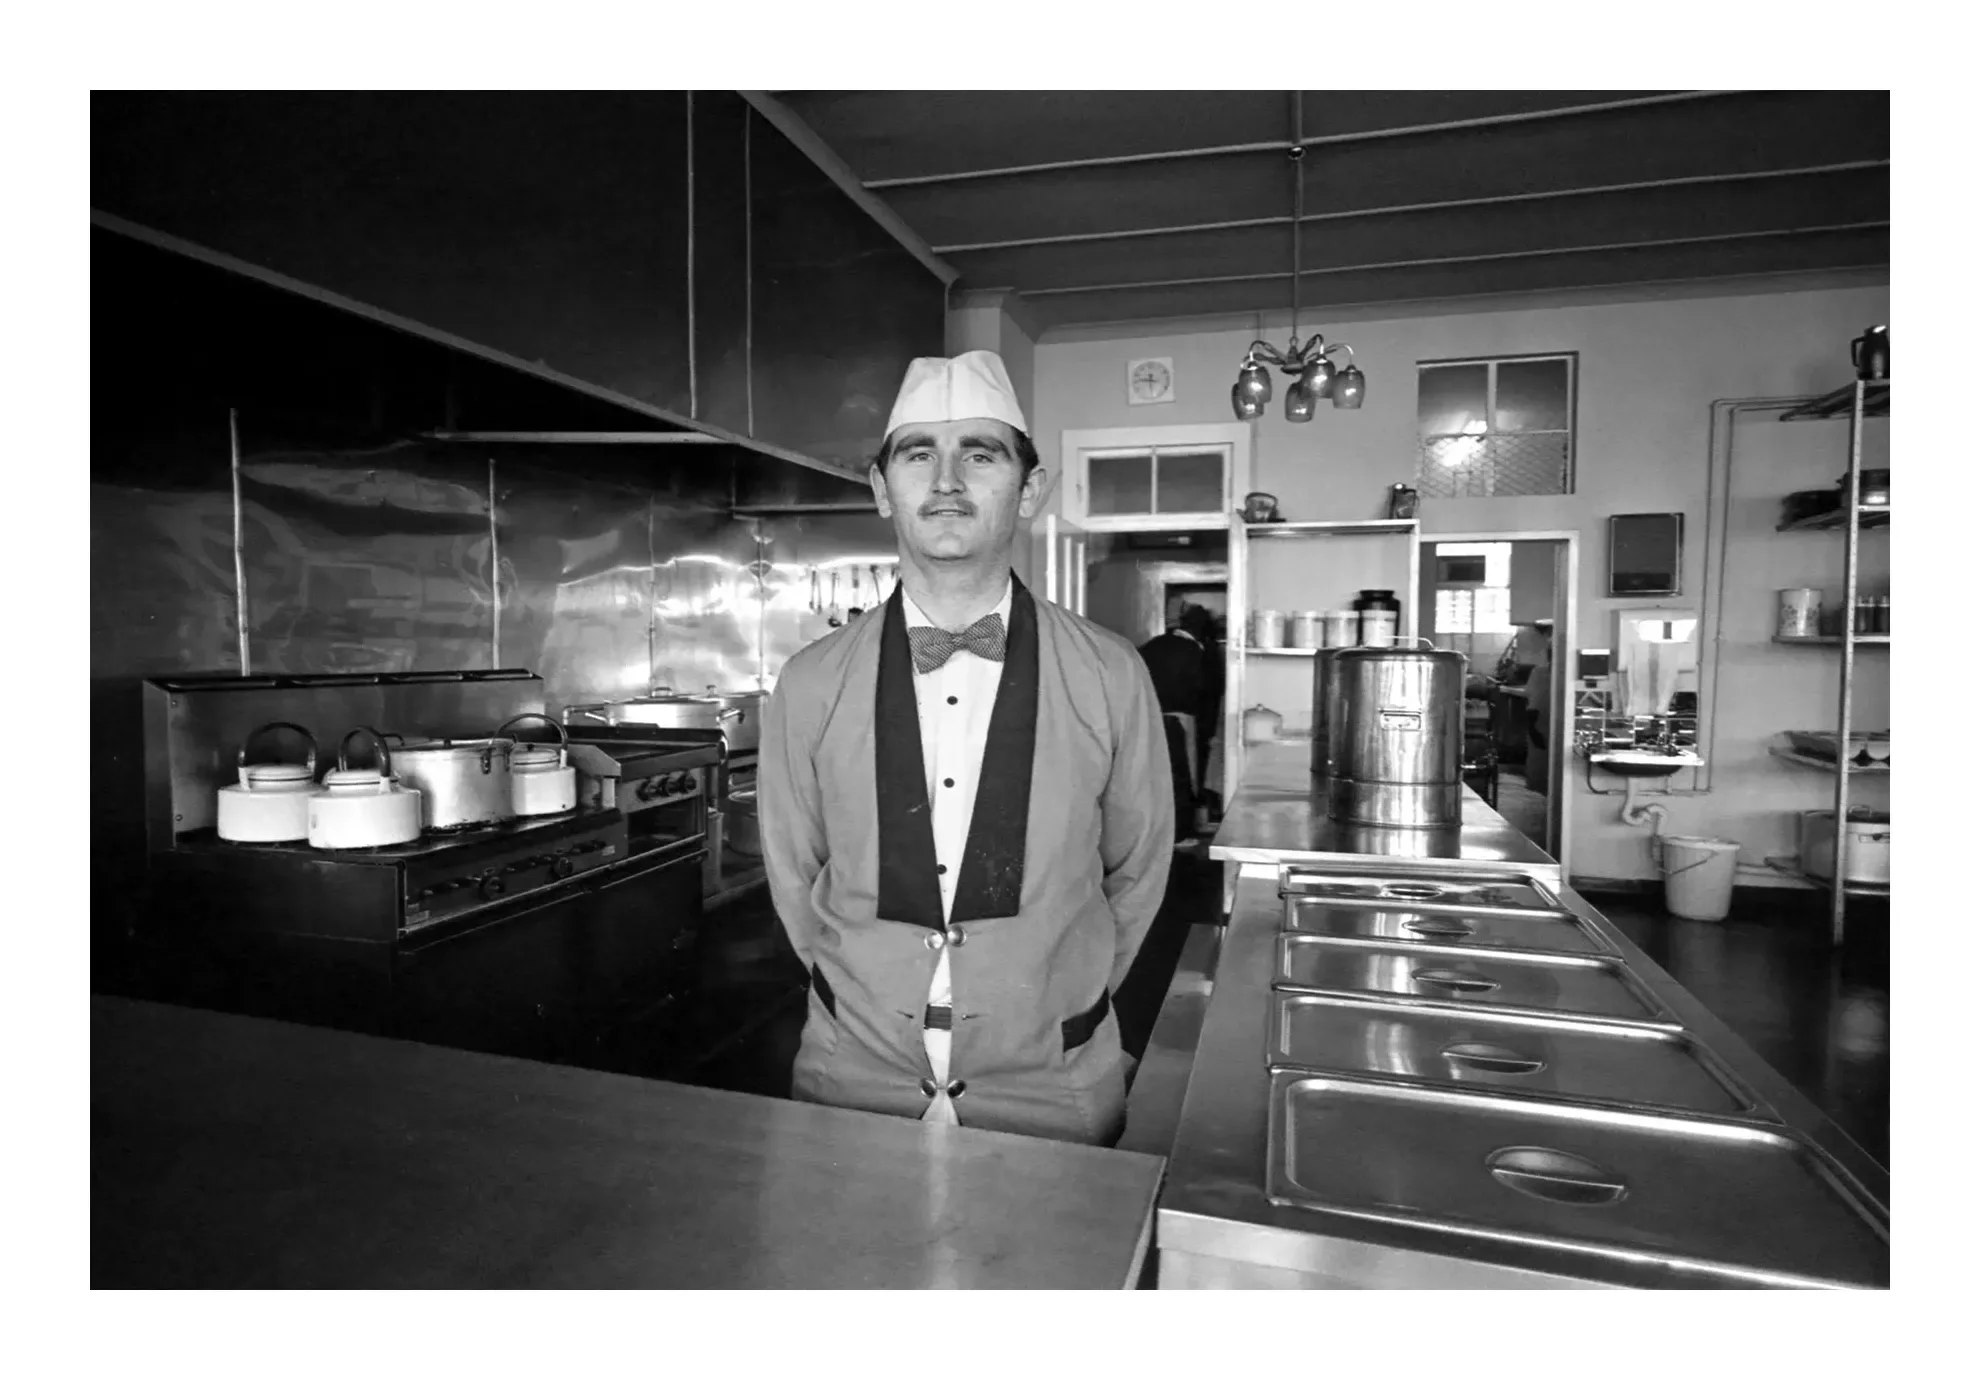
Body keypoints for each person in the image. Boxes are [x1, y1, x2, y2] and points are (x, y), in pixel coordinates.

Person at [759, 350, 1174, 1147]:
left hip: (1054, 1087)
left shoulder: (1111, 672)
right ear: (883, 488)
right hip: (851, 1084)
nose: (947, 480)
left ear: (1029, 489)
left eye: (980, 454)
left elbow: (1141, 870)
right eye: (919, 454)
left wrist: (1052, 1002)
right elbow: (793, 878)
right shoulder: (810, 683)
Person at [1137, 605, 1214, 842]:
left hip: (1145, 718)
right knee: (1183, 776)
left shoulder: (1151, 645)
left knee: (1152, 777)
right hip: (1180, 721)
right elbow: (1201, 691)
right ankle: (1180, 834)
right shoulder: (1194, 650)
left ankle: (1154, 834)